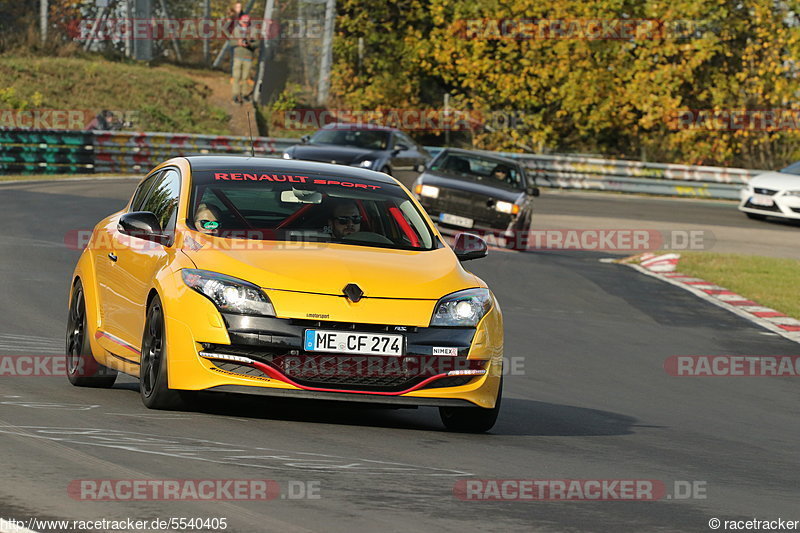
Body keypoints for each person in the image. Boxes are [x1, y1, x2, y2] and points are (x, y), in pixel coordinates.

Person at [230, 14, 259, 104]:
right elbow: (231, 42)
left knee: (246, 77)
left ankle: (244, 94)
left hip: (248, 57)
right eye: (244, 21)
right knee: (236, 76)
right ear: (240, 21)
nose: (245, 23)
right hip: (238, 56)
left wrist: (250, 44)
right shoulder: (236, 30)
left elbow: (257, 43)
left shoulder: (253, 31)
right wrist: (238, 42)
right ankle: (235, 95)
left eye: (247, 21)